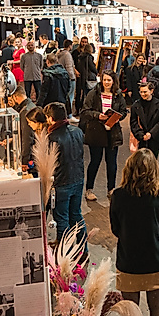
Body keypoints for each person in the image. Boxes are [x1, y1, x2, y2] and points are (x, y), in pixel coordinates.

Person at [110, 148, 159, 316]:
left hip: (129, 261)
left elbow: (115, 228)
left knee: (129, 310)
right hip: (156, 259)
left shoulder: (118, 196)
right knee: (157, 308)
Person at [45, 102, 87, 260]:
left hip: (62, 183)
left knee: (61, 218)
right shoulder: (77, 131)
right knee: (76, 214)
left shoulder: (52, 137)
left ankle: (65, 251)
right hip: (78, 178)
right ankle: (83, 247)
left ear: (50, 118)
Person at [81, 71, 127, 200]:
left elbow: (123, 111)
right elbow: (85, 111)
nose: (106, 83)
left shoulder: (118, 95)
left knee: (111, 163)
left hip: (113, 133)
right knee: (95, 161)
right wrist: (97, 115)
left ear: (113, 81)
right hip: (96, 132)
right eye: (104, 80)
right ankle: (89, 189)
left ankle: (111, 189)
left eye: (109, 80)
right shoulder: (93, 94)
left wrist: (118, 117)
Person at [130, 80, 159, 157]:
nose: (143, 94)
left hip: (154, 139)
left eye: (145, 92)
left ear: (151, 91)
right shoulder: (135, 106)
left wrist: (151, 133)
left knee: (153, 162)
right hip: (141, 140)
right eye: (141, 92)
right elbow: (133, 123)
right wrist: (141, 135)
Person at [8, 85, 38, 174]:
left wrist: (24, 160)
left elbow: (27, 136)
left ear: (15, 97)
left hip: (30, 155)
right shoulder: (30, 105)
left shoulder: (25, 111)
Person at [75, 38, 98, 112]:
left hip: (81, 78)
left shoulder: (80, 56)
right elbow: (92, 67)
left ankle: (79, 108)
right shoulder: (89, 57)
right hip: (88, 78)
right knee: (90, 95)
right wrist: (97, 72)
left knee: (81, 94)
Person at [57, 39, 78, 114]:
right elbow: (69, 67)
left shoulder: (59, 54)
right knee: (70, 97)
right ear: (70, 46)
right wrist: (72, 77)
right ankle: (69, 114)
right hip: (69, 78)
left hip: (62, 77)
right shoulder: (67, 55)